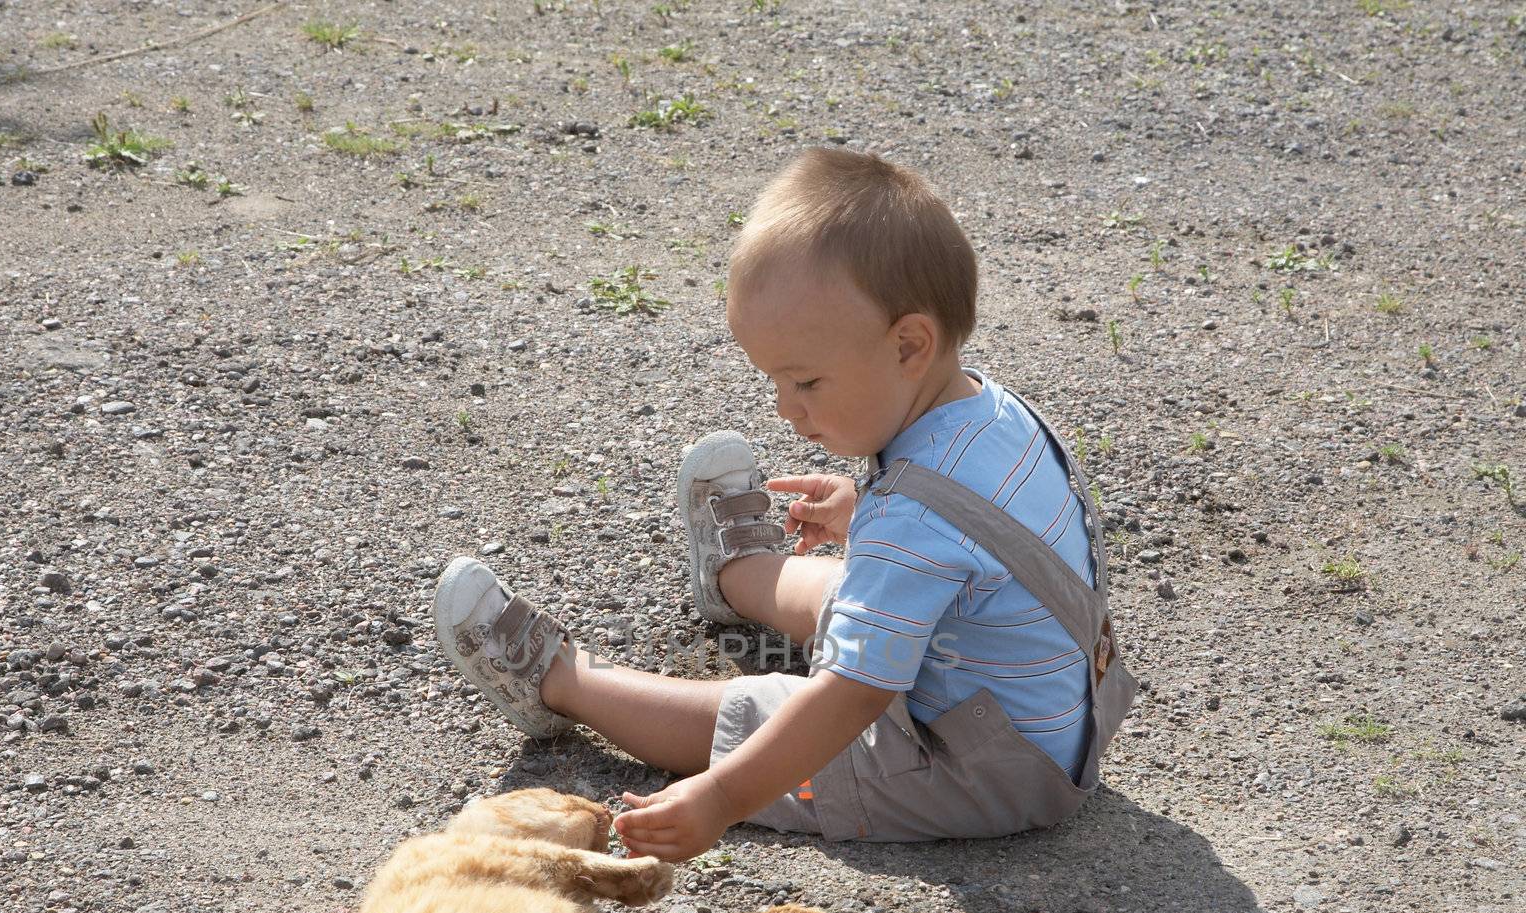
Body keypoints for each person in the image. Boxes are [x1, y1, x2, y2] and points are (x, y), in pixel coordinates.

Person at [433, 148, 1135, 863]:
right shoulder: (993, 414)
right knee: (863, 585)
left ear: (909, 345)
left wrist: (723, 795)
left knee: (767, 712)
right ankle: (742, 574)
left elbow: (851, 697)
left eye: (805, 381)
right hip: (1048, 717)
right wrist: (866, 508)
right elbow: (981, 536)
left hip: (977, 771)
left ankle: (559, 682)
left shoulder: (913, 525)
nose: (784, 408)